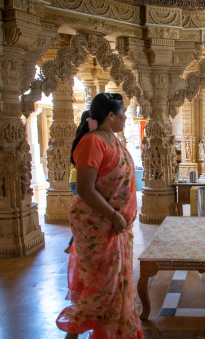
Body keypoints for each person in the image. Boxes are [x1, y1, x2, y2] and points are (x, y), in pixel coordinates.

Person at [56, 93, 144, 339]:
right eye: (123, 113)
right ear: (111, 115)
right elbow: (85, 189)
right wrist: (115, 216)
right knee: (101, 286)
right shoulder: (93, 142)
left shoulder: (113, 141)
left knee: (114, 286)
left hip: (116, 228)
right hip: (99, 226)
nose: (126, 118)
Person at [64, 110, 90, 254]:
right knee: (87, 214)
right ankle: (74, 244)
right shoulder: (88, 139)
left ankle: (73, 244)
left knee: (86, 213)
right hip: (80, 180)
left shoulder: (80, 136)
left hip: (75, 179)